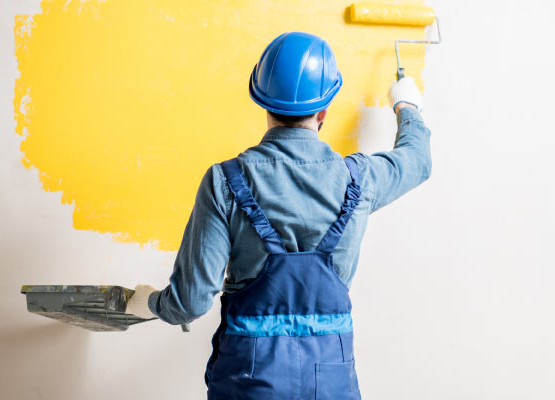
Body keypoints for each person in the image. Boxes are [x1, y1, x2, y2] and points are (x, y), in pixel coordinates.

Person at [126, 31, 431, 399]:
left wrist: (147, 302)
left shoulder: (225, 181)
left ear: (262, 101)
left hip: (249, 379)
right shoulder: (360, 179)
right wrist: (407, 106)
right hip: (331, 380)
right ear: (324, 111)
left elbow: (189, 303)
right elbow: (418, 162)